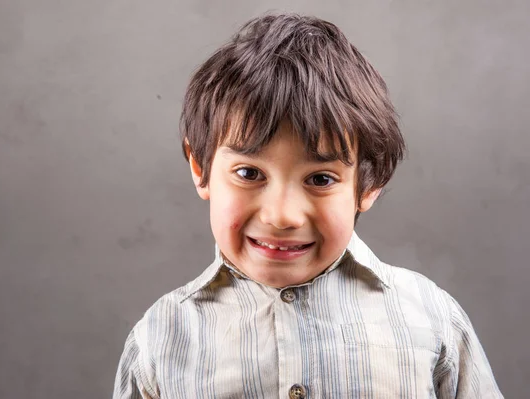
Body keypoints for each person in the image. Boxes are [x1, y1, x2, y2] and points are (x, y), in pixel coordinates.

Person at [113, 13, 502, 398]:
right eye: (249, 174)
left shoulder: (431, 321)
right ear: (201, 168)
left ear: (369, 185)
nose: (282, 216)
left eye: (320, 179)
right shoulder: (160, 339)